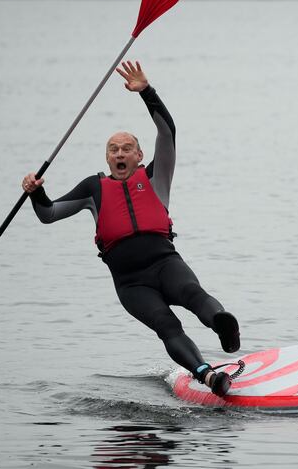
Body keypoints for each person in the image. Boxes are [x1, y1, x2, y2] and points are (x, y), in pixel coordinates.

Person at [22, 61, 240, 396]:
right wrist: (36, 191)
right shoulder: (93, 189)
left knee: (193, 295)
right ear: (107, 158)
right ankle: (208, 376)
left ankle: (222, 323)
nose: (120, 153)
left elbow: (168, 132)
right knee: (167, 325)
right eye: (114, 149)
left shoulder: (156, 176)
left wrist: (147, 92)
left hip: (166, 264)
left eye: (127, 148)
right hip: (131, 283)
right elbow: (49, 214)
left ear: (139, 155)